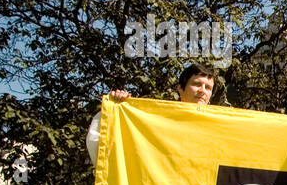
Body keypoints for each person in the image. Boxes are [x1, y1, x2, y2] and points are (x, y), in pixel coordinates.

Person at [87, 63, 218, 163]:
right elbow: (101, 146)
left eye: (208, 88)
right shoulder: (156, 118)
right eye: (196, 84)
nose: (202, 91)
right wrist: (116, 109)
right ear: (180, 88)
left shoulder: (217, 127)